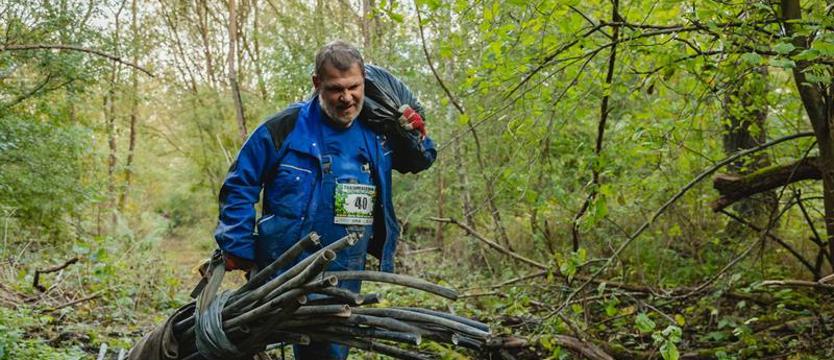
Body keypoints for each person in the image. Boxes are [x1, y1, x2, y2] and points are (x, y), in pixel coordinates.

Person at [212, 40, 436, 359]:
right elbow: (240, 184)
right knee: (249, 341)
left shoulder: (379, 134)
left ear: (364, 82)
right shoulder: (284, 128)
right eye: (335, 89)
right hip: (280, 267)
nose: (347, 98)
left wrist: (415, 132)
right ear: (317, 84)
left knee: (327, 351)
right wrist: (237, 245)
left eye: (354, 87)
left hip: (343, 270)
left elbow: (421, 160)